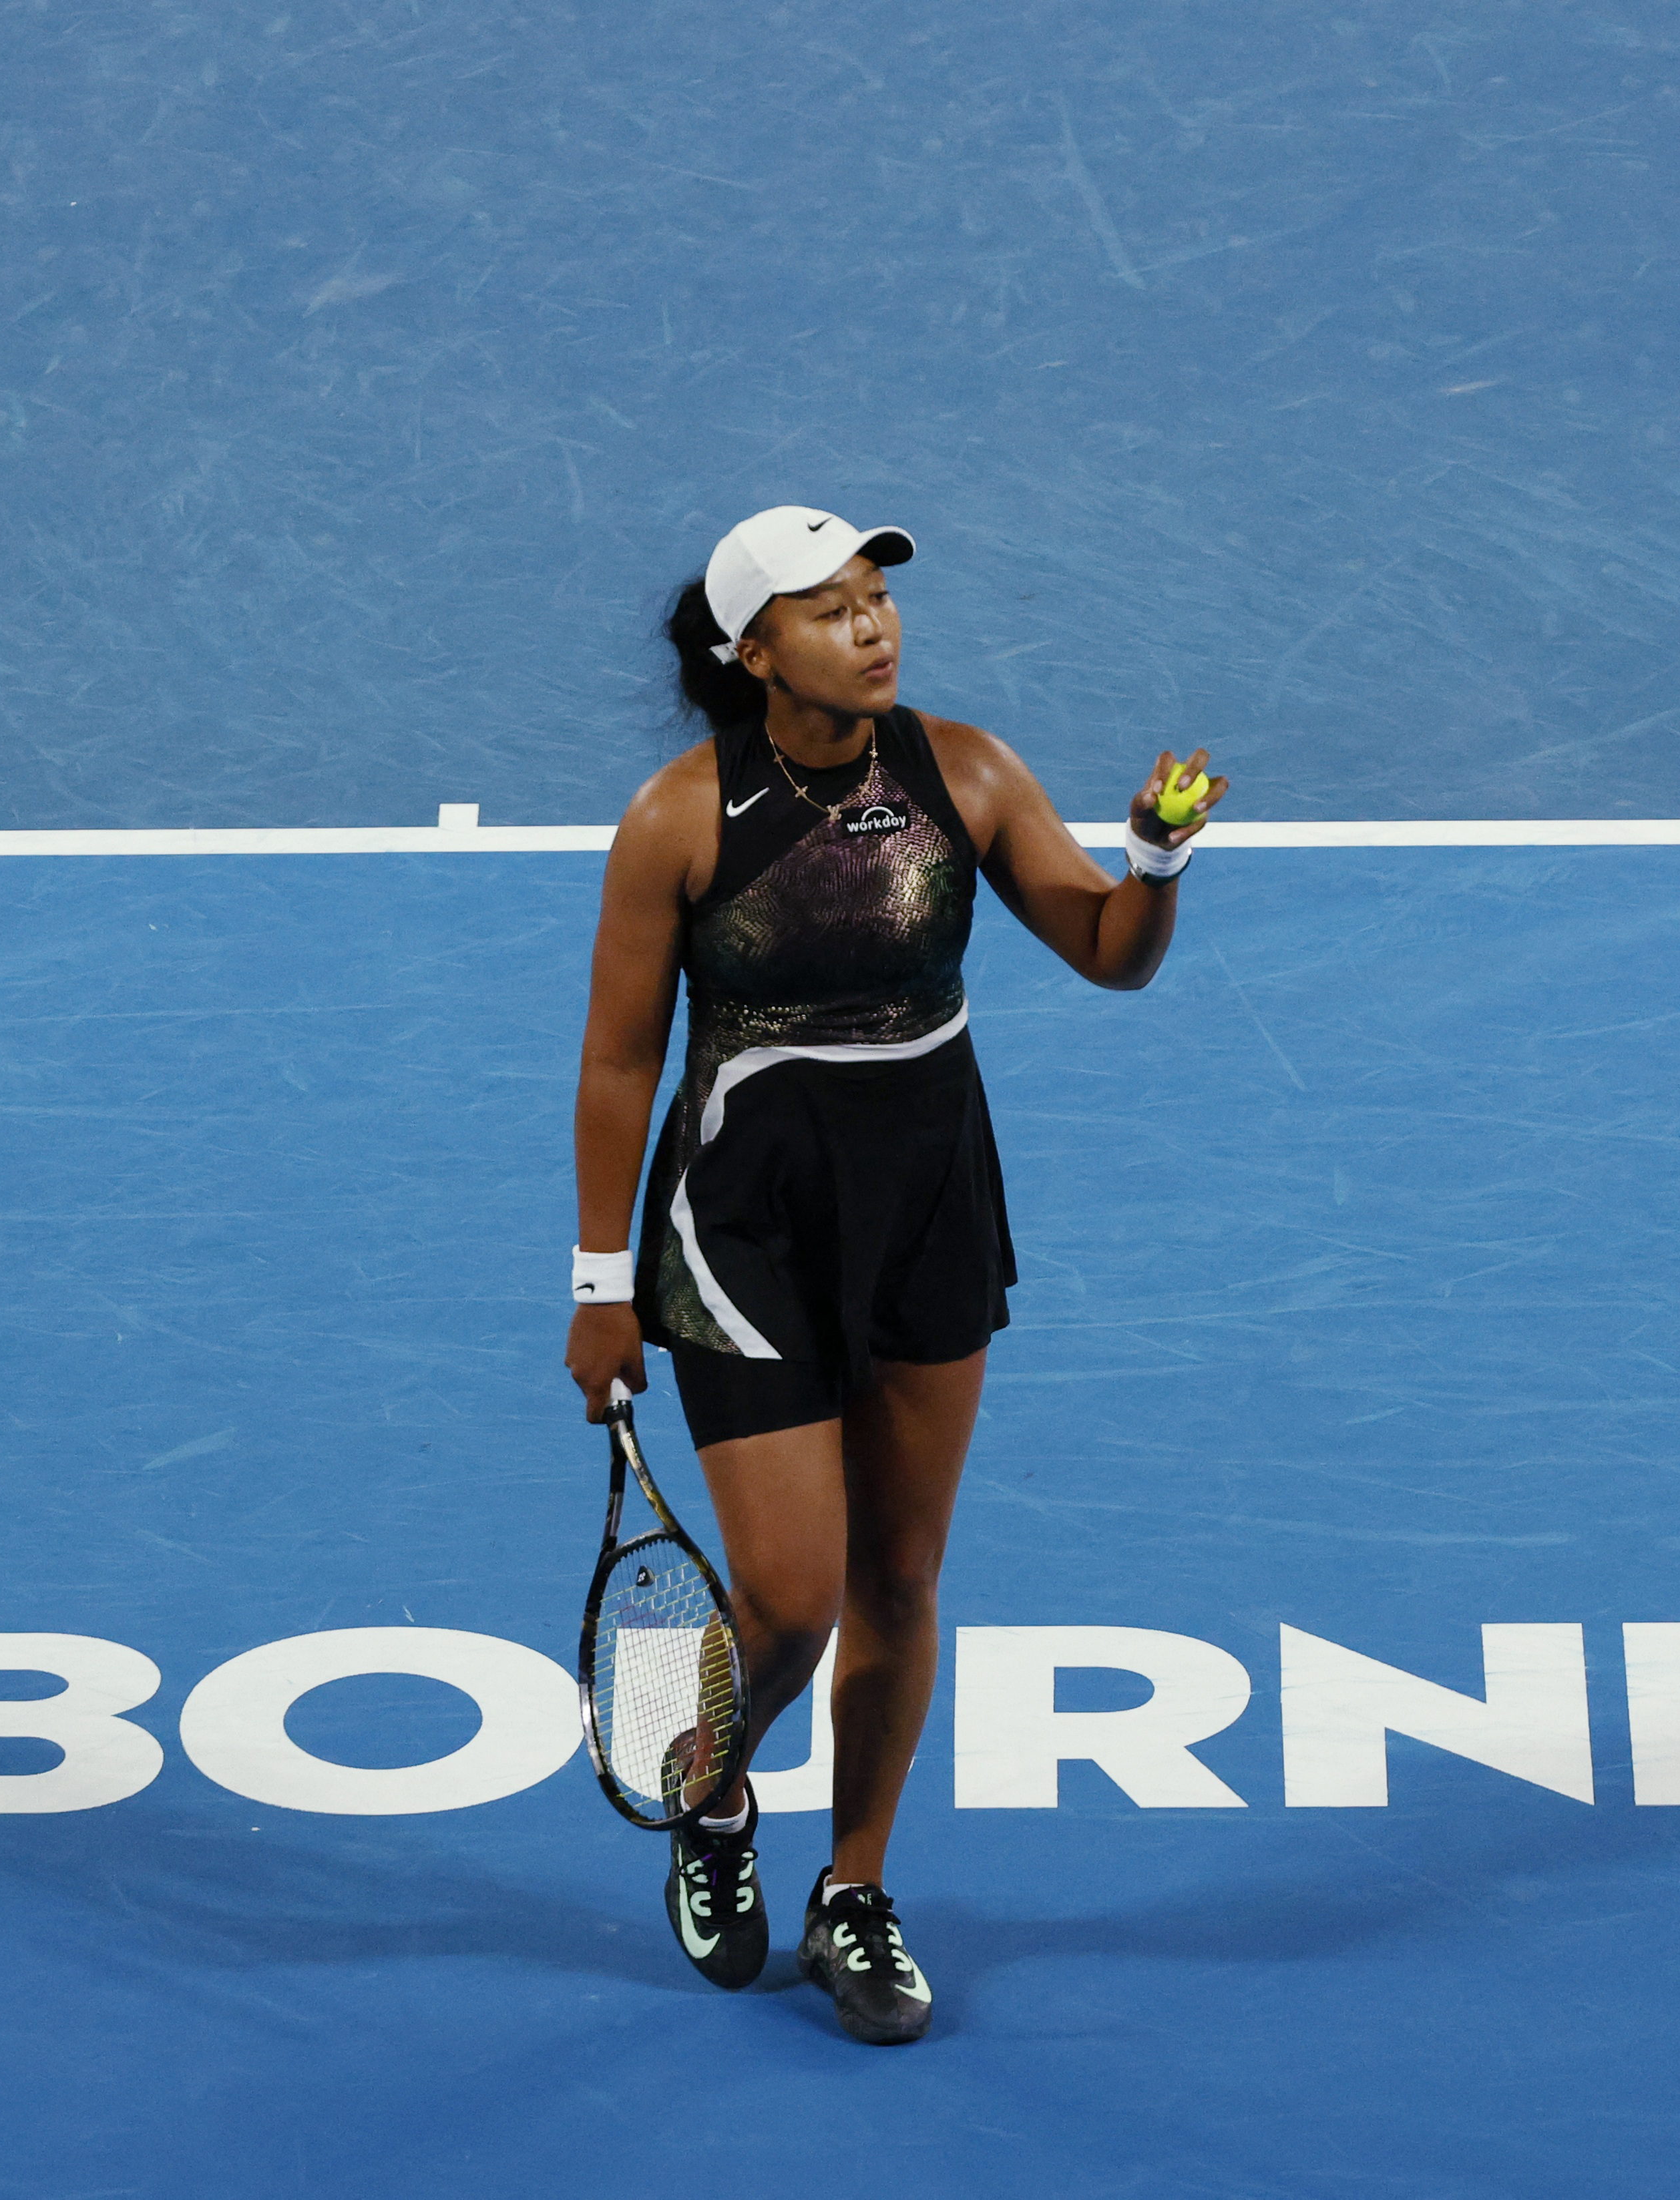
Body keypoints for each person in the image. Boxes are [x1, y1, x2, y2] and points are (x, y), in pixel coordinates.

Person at [563, 505, 1225, 2045]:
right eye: (831, 607)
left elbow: (1109, 951)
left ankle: (854, 1888)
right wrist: (604, 1283)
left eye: (877, 597)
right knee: (790, 1600)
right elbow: (616, 1061)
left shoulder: (966, 771)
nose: (872, 625)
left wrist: (1157, 861)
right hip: (745, 1232)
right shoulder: (679, 817)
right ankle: (714, 1789)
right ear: (754, 650)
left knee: (903, 1578)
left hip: (928, 1203)